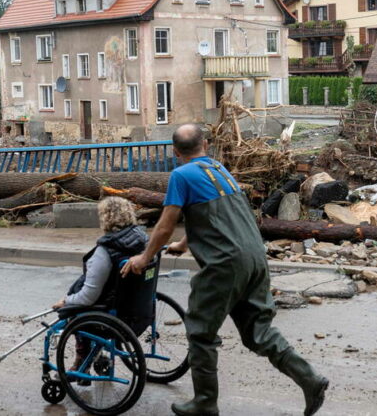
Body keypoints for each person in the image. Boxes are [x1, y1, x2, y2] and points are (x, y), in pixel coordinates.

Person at [121, 124, 328, 416]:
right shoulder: (218, 170)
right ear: (204, 145)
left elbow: (165, 224)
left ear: (175, 152)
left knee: (201, 331)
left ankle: (205, 403)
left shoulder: (181, 175)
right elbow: (217, 216)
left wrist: (144, 258)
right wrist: (184, 242)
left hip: (225, 264)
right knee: (258, 331)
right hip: (255, 257)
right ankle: (310, 379)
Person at [53, 196, 151, 379]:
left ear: (104, 218)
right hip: (140, 311)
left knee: (72, 313)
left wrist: (66, 301)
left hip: (112, 317)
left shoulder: (105, 251)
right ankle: (98, 354)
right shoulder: (143, 240)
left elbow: (88, 297)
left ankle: (82, 362)